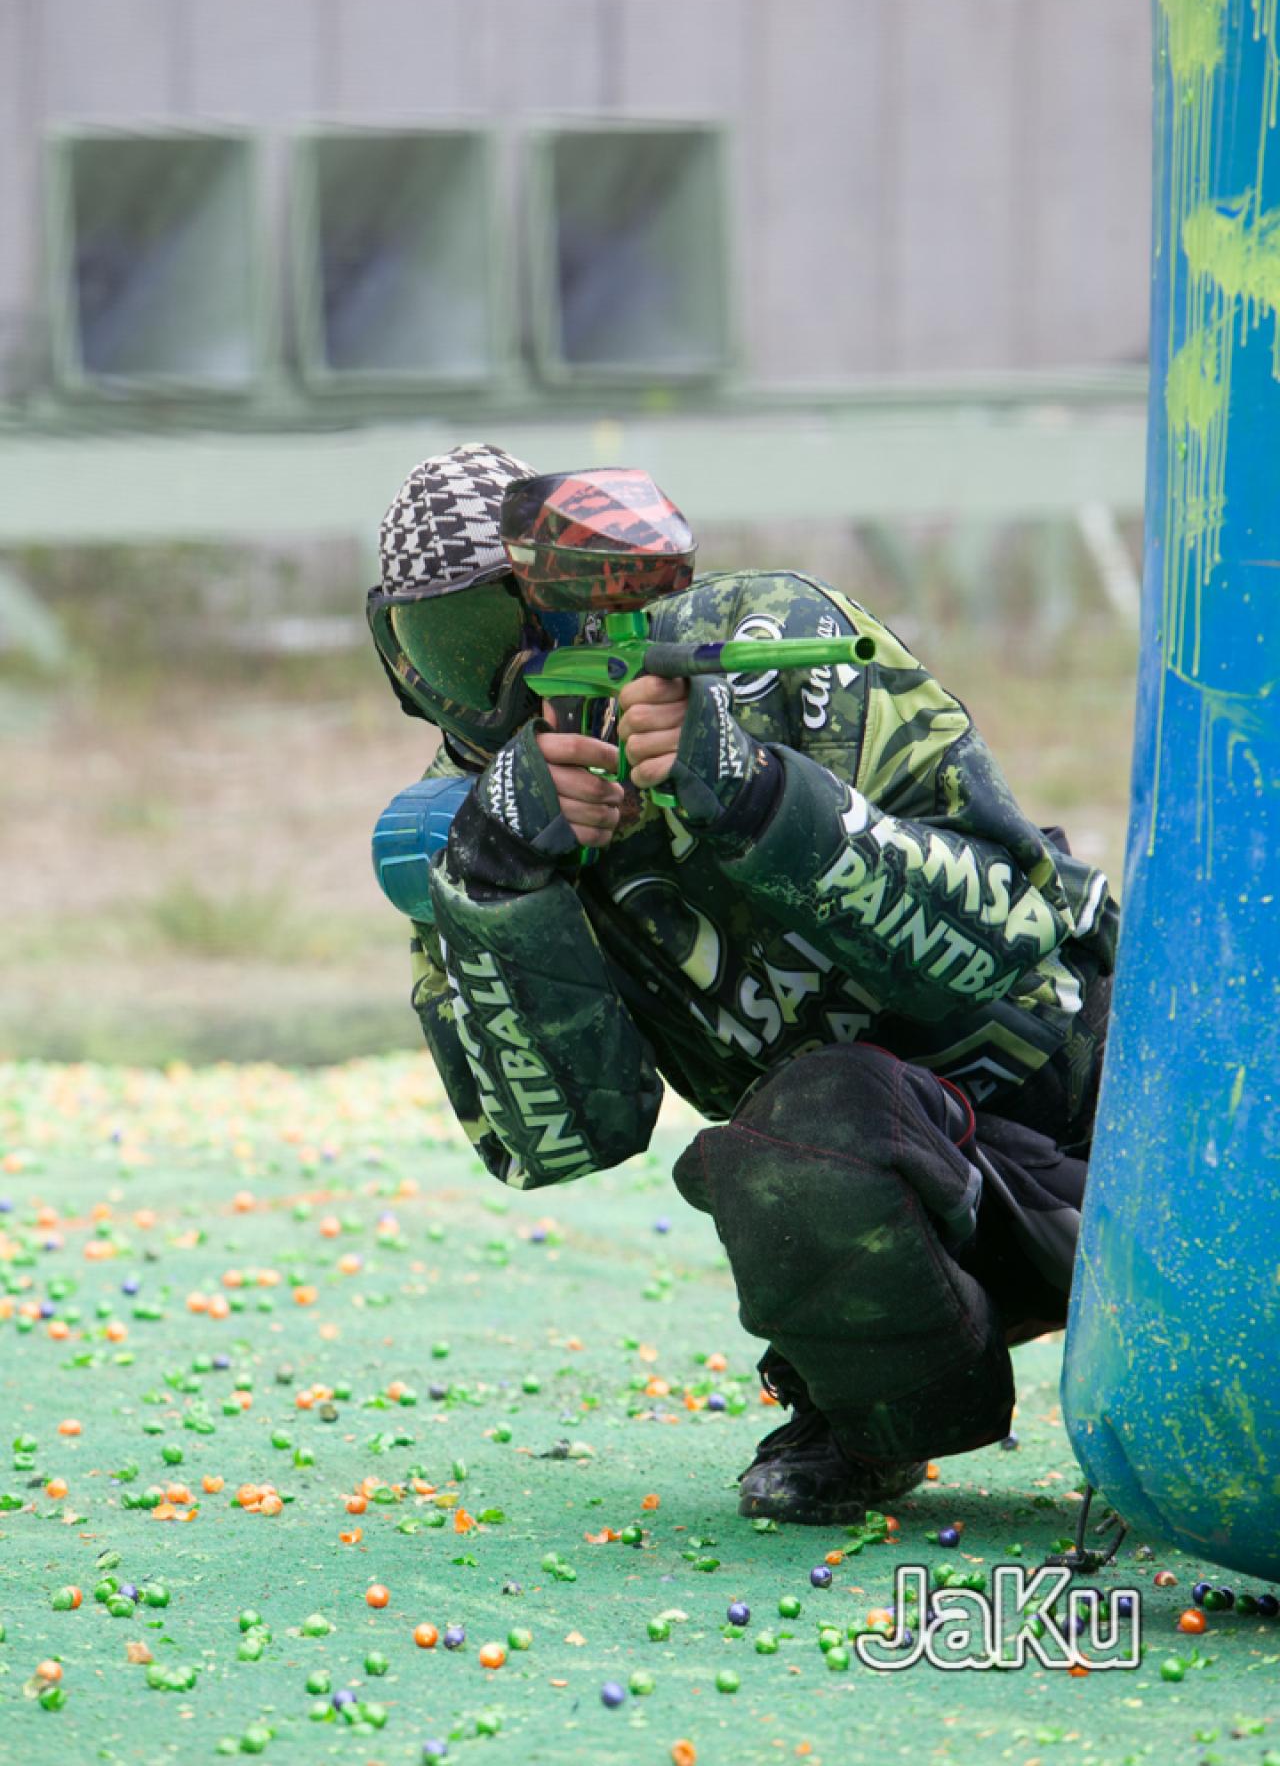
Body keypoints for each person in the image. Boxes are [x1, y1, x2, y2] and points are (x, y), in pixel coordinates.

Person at [368, 443, 1118, 1525]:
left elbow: (1013, 927)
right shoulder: (469, 826)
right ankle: (879, 1417)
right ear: (394, 656)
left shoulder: (771, 652)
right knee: (799, 1138)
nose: (510, 682)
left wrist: (760, 795)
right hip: (890, 1173)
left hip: (1106, 1099)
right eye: (451, 646)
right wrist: (503, 890)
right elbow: (553, 1146)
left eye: (517, 627)